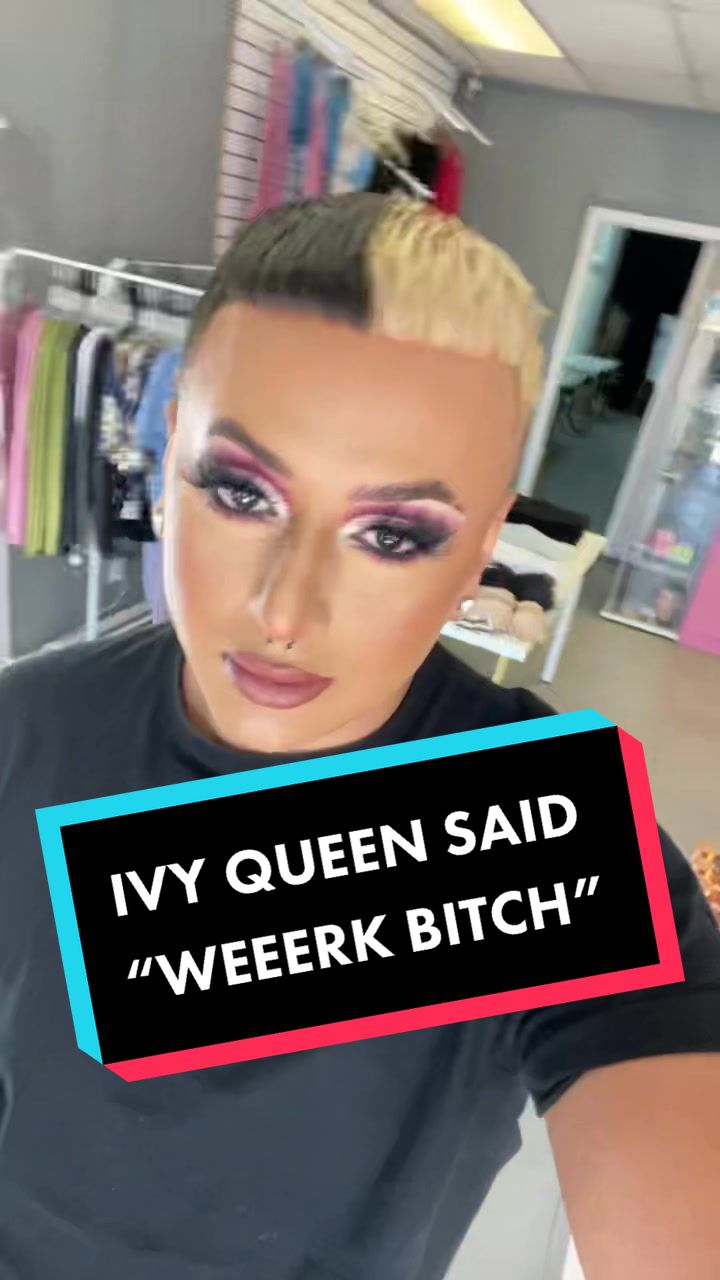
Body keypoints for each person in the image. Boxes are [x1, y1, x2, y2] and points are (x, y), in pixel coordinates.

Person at [0, 195, 718, 1280]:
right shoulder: (25, 725)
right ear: (168, 452)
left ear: (482, 548)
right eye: (241, 492)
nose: (285, 609)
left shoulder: (545, 837)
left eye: (391, 534)